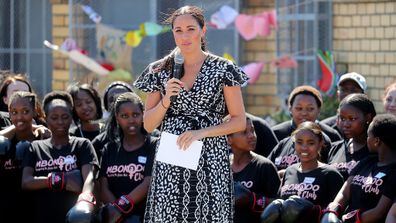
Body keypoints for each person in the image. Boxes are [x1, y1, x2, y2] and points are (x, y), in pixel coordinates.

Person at [133, 5, 247, 222]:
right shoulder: (159, 69)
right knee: (169, 215)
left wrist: (200, 133)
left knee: (210, 215)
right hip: (173, 153)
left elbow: (239, 121)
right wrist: (166, 100)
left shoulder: (224, 68)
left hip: (211, 155)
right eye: (178, 30)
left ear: (203, 30)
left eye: (191, 29)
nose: (184, 36)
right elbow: (147, 126)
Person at [21, 91, 99, 223]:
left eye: (65, 117)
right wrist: (61, 180)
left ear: (71, 118)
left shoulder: (82, 145)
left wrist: (85, 199)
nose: (60, 122)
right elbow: (26, 182)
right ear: (46, 119)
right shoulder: (35, 147)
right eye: (54, 117)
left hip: (75, 218)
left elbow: (89, 178)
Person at [262, 121, 344, 223]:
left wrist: (313, 211)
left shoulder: (330, 174)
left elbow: (339, 213)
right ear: (294, 144)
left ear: (320, 144)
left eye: (311, 143)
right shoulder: (289, 171)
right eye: (299, 142)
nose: (304, 148)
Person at [321, 114, 396, 223]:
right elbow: (345, 192)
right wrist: (333, 210)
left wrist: (350, 219)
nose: (366, 139)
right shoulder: (367, 161)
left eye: (368, 136)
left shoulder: (393, 171)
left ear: (376, 141)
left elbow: (379, 212)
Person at [97, 92, 156, 223]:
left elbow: (148, 184)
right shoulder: (109, 149)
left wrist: (120, 207)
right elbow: (103, 187)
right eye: (124, 116)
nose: (131, 120)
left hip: (143, 217)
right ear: (117, 118)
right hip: (115, 218)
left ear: (143, 114)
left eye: (135, 114)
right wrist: (116, 213)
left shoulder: (153, 145)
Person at [0, 91, 49, 222]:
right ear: (9, 114)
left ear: (34, 112)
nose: (20, 117)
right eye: (14, 112)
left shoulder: (45, 139)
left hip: (39, 212)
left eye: (25, 111)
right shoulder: (4, 144)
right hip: (8, 213)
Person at [228, 115, 280, 223]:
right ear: (229, 139)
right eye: (244, 132)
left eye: (252, 130)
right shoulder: (222, 167)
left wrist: (253, 200)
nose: (252, 136)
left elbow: (280, 204)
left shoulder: (264, 166)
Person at [327, 93, 376, 180]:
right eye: (342, 119)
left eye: (352, 119)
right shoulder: (335, 148)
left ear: (368, 118)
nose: (346, 124)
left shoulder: (377, 150)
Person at [271, 85, 341, 143]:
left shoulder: (331, 135)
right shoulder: (275, 134)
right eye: (299, 108)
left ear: (319, 110)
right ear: (290, 109)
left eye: (310, 109)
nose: (304, 113)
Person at [92, 81, 134, 160]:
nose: (118, 103)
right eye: (112, 99)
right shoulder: (99, 142)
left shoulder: (150, 137)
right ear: (106, 106)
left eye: (124, 98)